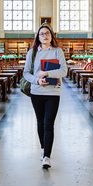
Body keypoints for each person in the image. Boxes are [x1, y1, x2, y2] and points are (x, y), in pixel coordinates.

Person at [22, 24, 67, 169]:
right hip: (37, 92)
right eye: (42, 34)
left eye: (47, 33)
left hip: (53, 92)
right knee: (40, 123)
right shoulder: (32, 53)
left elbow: (64, 71)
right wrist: (37, 80)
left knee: (49, 124)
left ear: (51, 35)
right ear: (38, 37)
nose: (45, 36)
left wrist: (47, 73)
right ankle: (43, 148)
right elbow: (26, 73)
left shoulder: (57, 51)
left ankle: (47, 156)